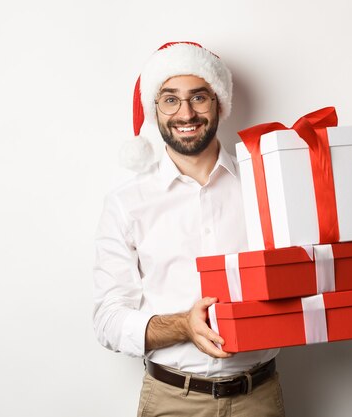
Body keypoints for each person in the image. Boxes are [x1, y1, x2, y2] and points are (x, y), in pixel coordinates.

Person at [93, 42, 285, 417]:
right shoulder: (126, 202)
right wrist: (183, 326)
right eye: (170, 100)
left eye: (199, 97)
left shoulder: (266, 186)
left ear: (219, 104)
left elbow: (300, 274)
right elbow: (108, 320)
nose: (186, 113)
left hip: (259, 399)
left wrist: (346, 311)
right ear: (156, 109)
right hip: (171, 401)